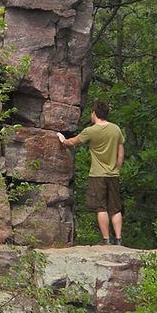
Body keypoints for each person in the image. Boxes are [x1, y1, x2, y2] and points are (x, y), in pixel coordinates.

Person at [57, 98, 125, 246]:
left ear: (94, 113)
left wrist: (63, 140)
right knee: (115, 208)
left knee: (101, 208)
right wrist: (116, 168)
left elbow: (73, 142)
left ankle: (106, 240)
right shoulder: (116, 129)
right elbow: (120, 154)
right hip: (113, 174)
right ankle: (119, 240)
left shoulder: (91, 131)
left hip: (97, 175)